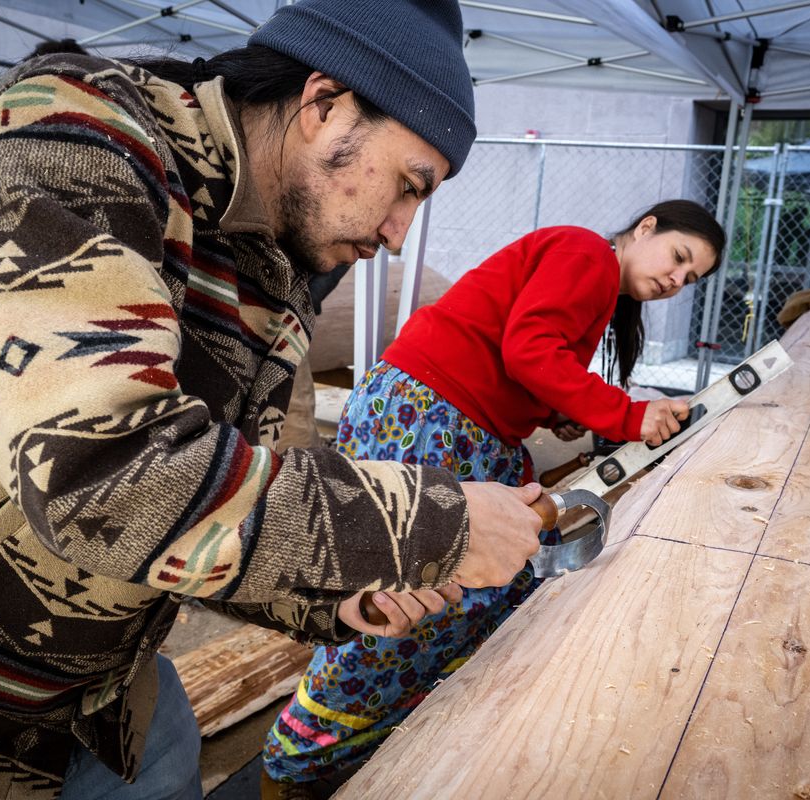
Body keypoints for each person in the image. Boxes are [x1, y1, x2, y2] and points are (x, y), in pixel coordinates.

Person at [0, 2, 549, 798]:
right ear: (325, 104)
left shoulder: (265, 262)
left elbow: (214, 485)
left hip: (92, 704)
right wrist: (438, 521)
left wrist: (334, 594)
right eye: (408, 186)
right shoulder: (63, 144)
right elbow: (104, 474)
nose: (401, 232)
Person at [262, 200, 726, 795]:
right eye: (679, 258)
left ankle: (382, 737)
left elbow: (528, 355)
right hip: (429, 416)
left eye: (689, 280)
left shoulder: (598, 282)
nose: (674, 280)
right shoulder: (587, 252)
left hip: (448, 419)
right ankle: (299, 759)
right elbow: (529, 349)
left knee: (491, 581)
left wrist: (555, 409)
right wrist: (630, 415)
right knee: (412, 595)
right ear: (644, 229)